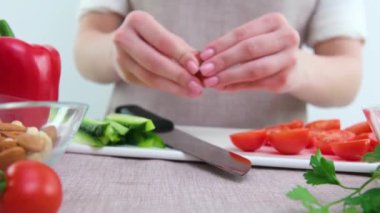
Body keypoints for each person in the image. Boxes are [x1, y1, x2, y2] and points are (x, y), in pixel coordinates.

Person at [74, 0, 366, 129]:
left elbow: (348, 75)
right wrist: (117, 54)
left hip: (272, 162)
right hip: (135, 147)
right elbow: (85, 50)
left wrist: (296, 70)